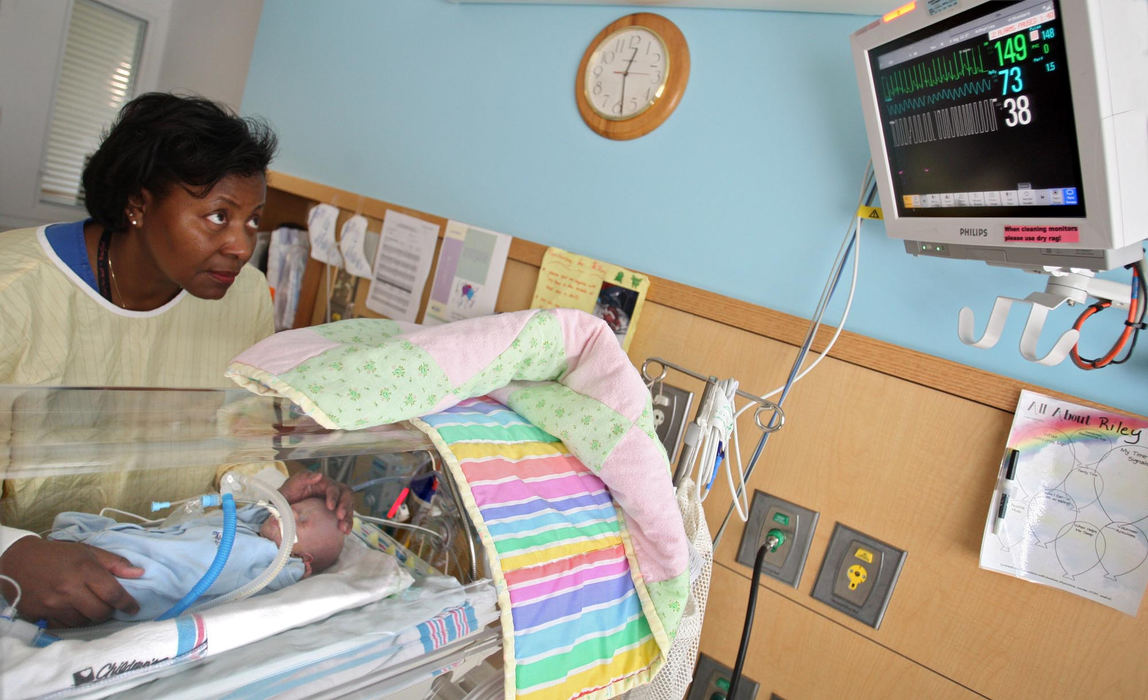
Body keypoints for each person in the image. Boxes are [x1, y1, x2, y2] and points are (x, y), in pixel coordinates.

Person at [0, 92, 354, 626]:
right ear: (138, 206)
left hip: (167, 568)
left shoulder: (245, 296)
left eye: (253, 220)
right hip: (34, 579)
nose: (241, 245)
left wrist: (275, 492)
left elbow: (236, 441)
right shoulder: (15, 291)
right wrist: (11, 552)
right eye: (218, 216)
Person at [47, 496, 345, 622]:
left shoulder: (271, 562)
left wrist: (294, 569)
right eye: (293, 506)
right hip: (151, 545)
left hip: (157, 578)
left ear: (303, 558)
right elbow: (248, 510)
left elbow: (281, 577)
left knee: (137, 578)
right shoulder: (248, 527)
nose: (289, 513)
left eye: (301, 521)